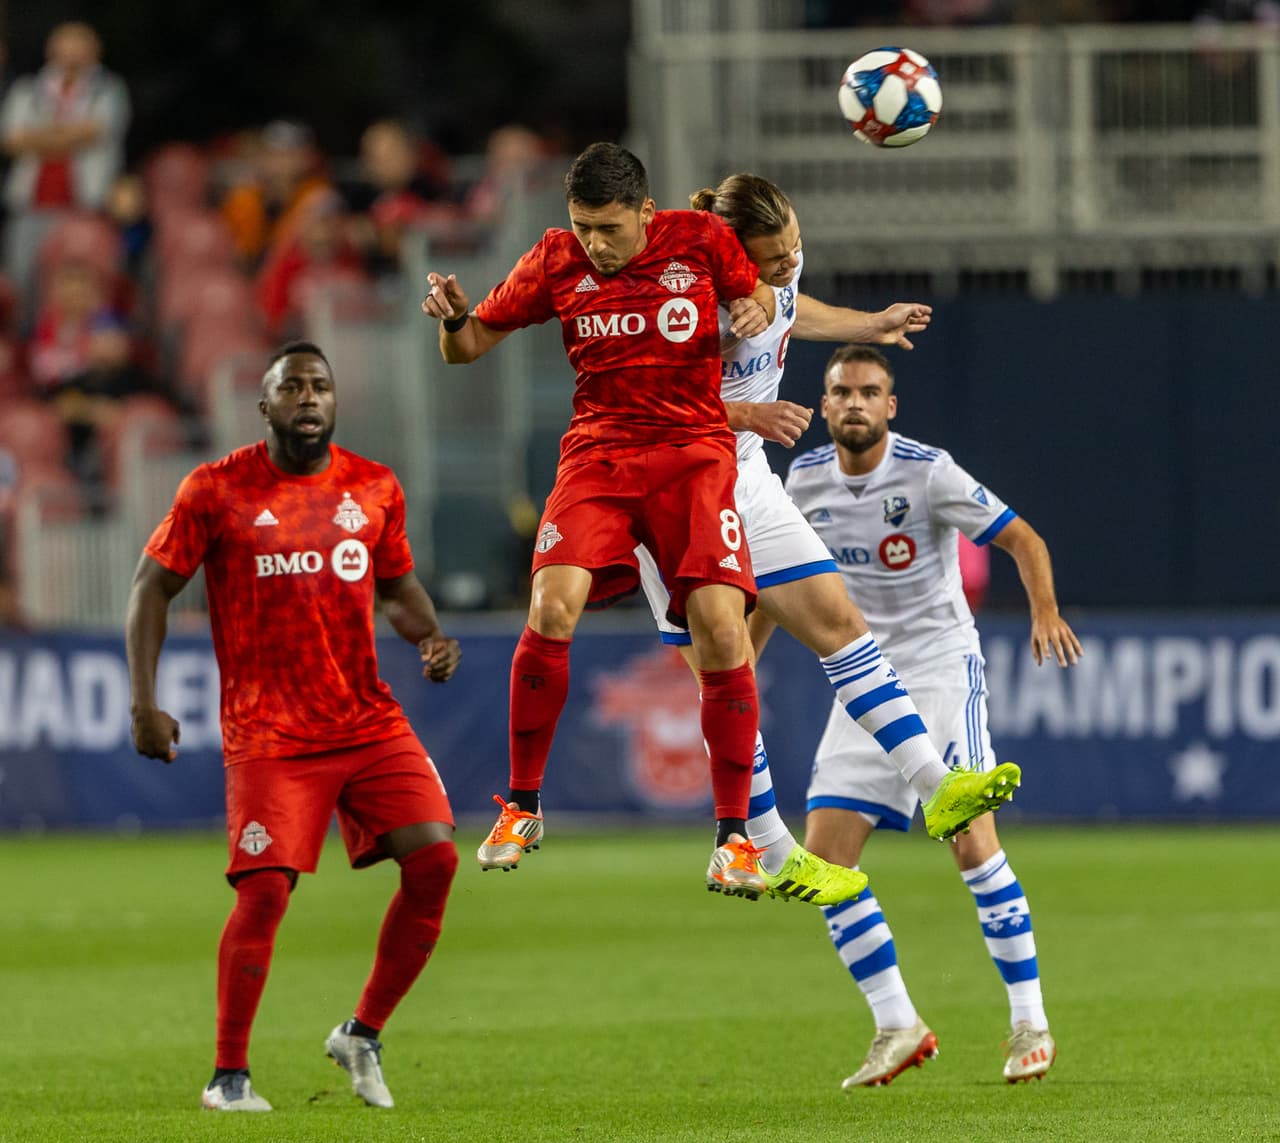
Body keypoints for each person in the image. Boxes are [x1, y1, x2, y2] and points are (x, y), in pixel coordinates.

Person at [421, 141, 861, 905]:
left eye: (609, 228)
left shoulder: (699, 238)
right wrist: (454, 319)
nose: (595, 242)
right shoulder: (556, 260)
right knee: (549, 606)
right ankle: (522, 806)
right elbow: (466, 349)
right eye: (583, 226)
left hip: (694, 455)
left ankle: (734, 839)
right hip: (600, 455)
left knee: (724, 631)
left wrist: (755, 299)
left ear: (646, 214)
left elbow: (760, 292)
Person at [634, 174, 1022, 900]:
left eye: (795, 249)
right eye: (773, 258)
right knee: (723, 667)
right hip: (672, 483)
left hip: (746, 473)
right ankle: (761, 842)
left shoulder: (773, 272)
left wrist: (867, 325)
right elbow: (644, 412)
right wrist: (748, 412)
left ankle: (937, 785)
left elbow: (788, 310)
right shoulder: (671, 295)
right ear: (726, 250)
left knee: (841, 621)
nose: (788, 264)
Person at [126, 341, 462, 1112]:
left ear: (334, 401)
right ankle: (228, 1076)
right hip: (270, 730)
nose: (308, 398)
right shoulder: (216, 490)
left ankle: (362, 1031)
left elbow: (399, 587)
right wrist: (143, 702)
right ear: (264, 405)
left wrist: (429, 637)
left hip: (367, 717)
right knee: (267, 890)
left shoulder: (373, 487)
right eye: (292, 388)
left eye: (320, 386)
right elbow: (151, 587)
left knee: (437, 861)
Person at [773, 344, 1080, 1086]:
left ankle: (1029, 1021)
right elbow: (773, 584)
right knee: (823, 863)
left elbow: (1022, 536)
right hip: (861, 675)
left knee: (972, 844)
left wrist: (1045, 609)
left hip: (941, 668)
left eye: (868, 391)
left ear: (890, 404)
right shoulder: (801, 479)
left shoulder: (928, 470)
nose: (853, 402)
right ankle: (897, 1023)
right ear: (824, 402)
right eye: (840, 390)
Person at [0, 21, 129, 316]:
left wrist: (38, 138)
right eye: (65, 46)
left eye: (79, 47)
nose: (71, 55)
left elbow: (95, 132)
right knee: (22, 284)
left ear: (95, 52)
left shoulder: (109, 90)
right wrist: (69, 136)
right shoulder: (27, 90)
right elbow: (11, 140)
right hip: (31, 204)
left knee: (80, 287)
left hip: (83, 206)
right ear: (51, 50)